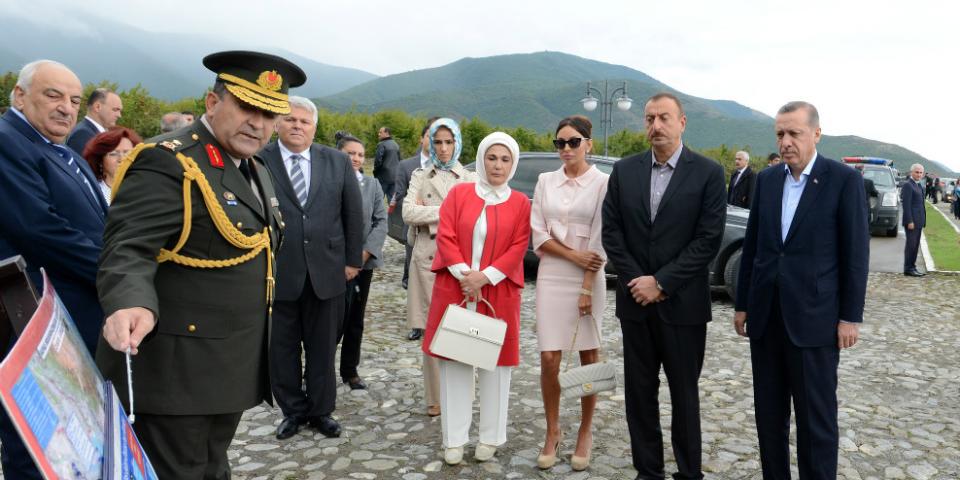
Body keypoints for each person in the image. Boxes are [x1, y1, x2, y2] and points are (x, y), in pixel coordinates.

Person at [95, 51, 300, 479]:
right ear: (212, 103)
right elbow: (128, 247)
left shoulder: (253, 166)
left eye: (270, 114)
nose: (259, 123)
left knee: (210, 467)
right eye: (248, 107)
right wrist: (130, 302)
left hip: (227, 365)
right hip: (177, 373)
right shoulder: (170, 161)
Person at [734, 101, 869, 480]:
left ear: (816, 134)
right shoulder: (768, 180)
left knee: (816, 421)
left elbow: (855, 255)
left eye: (794, 133)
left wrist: (850, 317)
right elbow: (756, 247)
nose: (786, 141)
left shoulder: (843, 180)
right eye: (780, 134)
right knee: (769, 418)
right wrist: (742, 304)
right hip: (766, 319)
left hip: (816, 321)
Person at [601, 92, 726, 480]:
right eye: (650, 118)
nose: (656, 126)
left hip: (683, 305)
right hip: (635, 303)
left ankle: (689, 472)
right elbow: (612, 232)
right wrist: (639, 281)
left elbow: (707, 239)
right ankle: (648, 470)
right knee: (640, 394)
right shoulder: (624, 171)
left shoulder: (708, 173)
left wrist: (662, 282)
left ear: (682, 122)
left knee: (684, 395)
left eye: (664, 118)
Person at [0, 59, 107, 480]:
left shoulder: (61, 150)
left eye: (75, 100)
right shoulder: (8, 142)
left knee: (72, 437)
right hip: (33, 320)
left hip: (77, 317)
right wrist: (114, 274)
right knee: (35, 438)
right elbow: (40, 230)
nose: (67, 108)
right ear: (20, 95)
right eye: (53, 95)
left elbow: (99, 223)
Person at [422, 131, 530, 465]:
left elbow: (519, 245)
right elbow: (447, 235)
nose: (498, 165)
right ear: (482, 159)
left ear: (512, 164)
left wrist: (486, 277)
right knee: (455, 361)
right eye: (492, 157)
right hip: (457, 287)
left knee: (496, 366)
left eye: (505, 159)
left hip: (497, 291)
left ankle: (491, 436)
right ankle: (454, 439)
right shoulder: (459, 194)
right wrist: (465, 275)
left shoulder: (521, 202)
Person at [260, 96, 364, 440]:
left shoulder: (335, 161)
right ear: (277, 123)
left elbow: (352, 214)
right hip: (277, 272)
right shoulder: (259, 159)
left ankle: (321, 411)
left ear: (314, 127)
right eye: (290, 120)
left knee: (322, 348)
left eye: (304, 121)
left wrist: (352, 261)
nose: (297, 126)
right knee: (282, 348)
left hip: (327, 270)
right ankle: (293, 411)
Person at [530, 115, 609, 471]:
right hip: (552, 274)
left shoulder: (604, 183)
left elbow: (599, 237)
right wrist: (572, 254)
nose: (566, 149)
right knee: (549, 357)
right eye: (559, 143)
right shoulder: (545, 181)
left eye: (573, 142)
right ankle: (552, 430)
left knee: (588, 355)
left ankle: (585, 431)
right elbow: (538, 234)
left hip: (589, 278)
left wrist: (586, 286)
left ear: (588, 144)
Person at [403, 117, 477, 417]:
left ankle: (462, 394)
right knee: (433, 329)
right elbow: (408, 212)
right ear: (429, 143)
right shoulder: (420, 175)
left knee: (462, 326)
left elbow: (473, 218)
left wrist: (429, 211)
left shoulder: (470, 178)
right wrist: (447, 210)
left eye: (449, 141)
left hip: (461, 259)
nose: (444, 148)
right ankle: (435, 397)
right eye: (438, 142)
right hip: (427, 259)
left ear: (457, 142)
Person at [335, 131, 387, 390]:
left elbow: (380, 221)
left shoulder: (373, 185)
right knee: (329, 320)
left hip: (362, 264)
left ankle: (349, 370)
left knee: (355, 318)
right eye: (350, 154)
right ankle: (317, 368)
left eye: (360, 155)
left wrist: (361, 256)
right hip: (332, 264)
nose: (355, 158)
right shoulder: (328, 182)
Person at [394, 116, 439, 330]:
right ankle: (416, 324)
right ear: (422, 139)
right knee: (414, 276)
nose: (434, 142)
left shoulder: (450, 170)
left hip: (440, 233)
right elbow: (400, 195)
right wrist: (415, 206)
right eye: (431, 136)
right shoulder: (406, 166)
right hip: (416, 230)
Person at [82, 127, 143, 204]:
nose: (122, 159)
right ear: (100, 160)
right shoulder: (91, 192)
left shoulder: (143, 187)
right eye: (113, 154)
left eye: (127, 153)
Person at [66, 87, 122, 153]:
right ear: (97, 107)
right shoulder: (82, 135)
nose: (119, 115)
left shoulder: (90, 132)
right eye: (115, 110)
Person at [901, 163, 926, 277]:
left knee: (915, 245)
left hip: (919, 221)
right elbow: (906, 205)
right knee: (911, 245)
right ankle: (908, 268)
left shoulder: (919, 185)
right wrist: (909, 221)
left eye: (921, 172)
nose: (919, 174)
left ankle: (913, 266)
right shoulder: (908, 185)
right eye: (917, 172)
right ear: (911, 172)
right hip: (912, 222)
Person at [374, 126, 401, 201]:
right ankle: (393, 213)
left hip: (383, 177)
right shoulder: (396, 145)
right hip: (394, 177)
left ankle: (377, 213)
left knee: (378, 199)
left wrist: (375, 173)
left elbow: (378, 161)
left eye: (380, 132)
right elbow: (399, 160)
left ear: (386, 133)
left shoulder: (381, 144)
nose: (378, 134)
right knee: (393, 201)